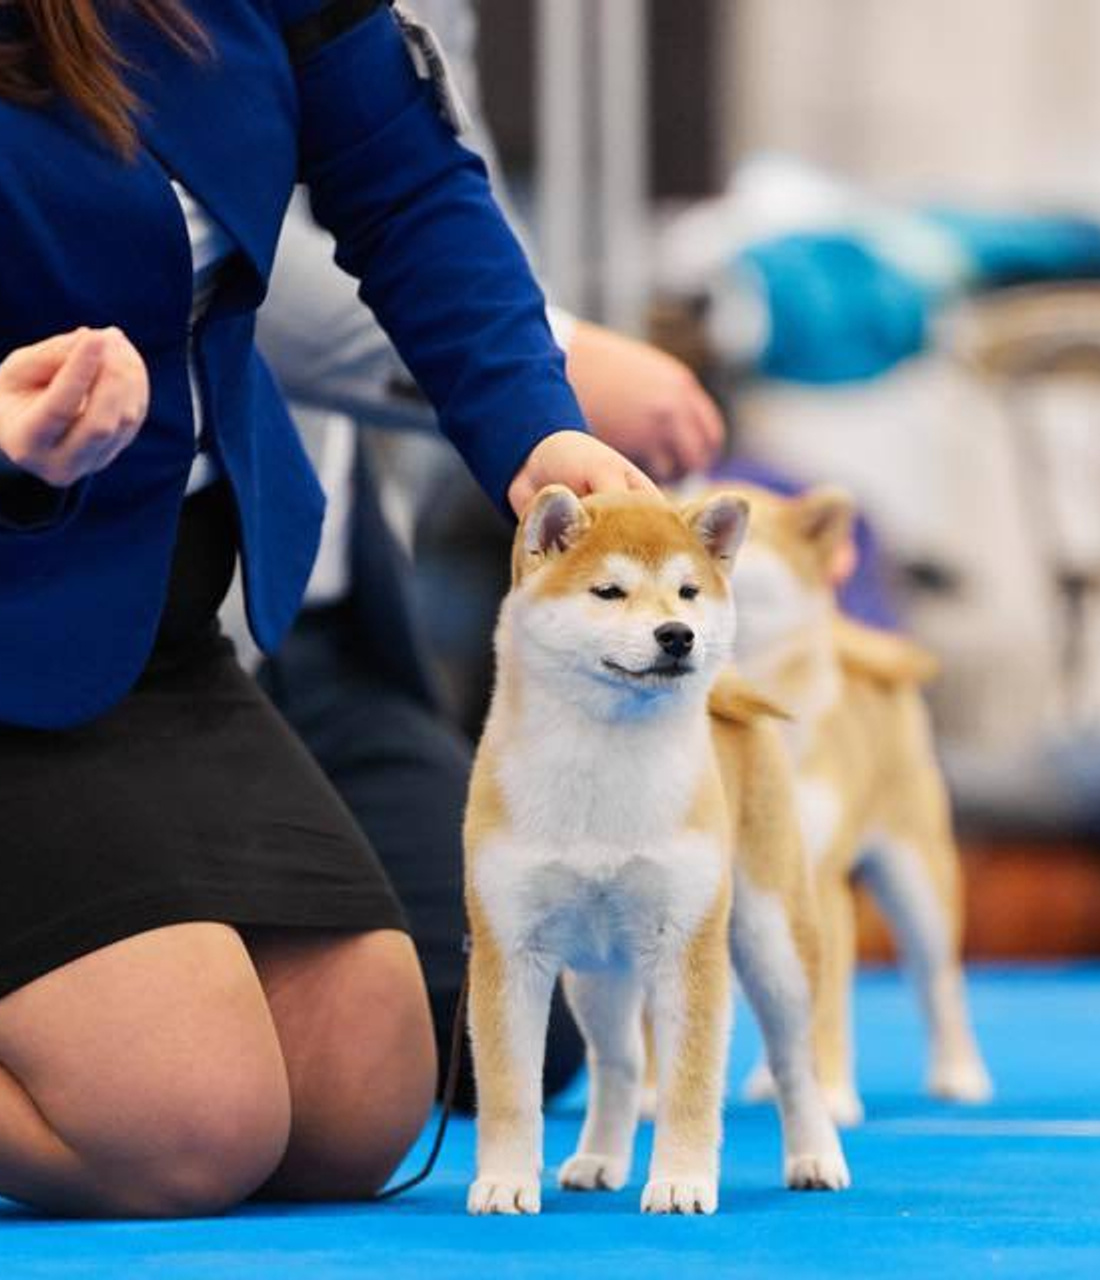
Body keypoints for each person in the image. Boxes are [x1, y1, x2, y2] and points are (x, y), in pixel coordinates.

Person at [0, 0, 652, 1219]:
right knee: (184, 1124)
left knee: (363, 1095)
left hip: (154, 612)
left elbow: (406, 181)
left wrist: (534, 425)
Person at [250, 0, 725, 1107]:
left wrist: (529, 387)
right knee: (196, 1098)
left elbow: (436, 202)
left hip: (331, 626)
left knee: (505, 1027)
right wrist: (557, 361)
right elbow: (210, 249)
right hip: (153, 615)